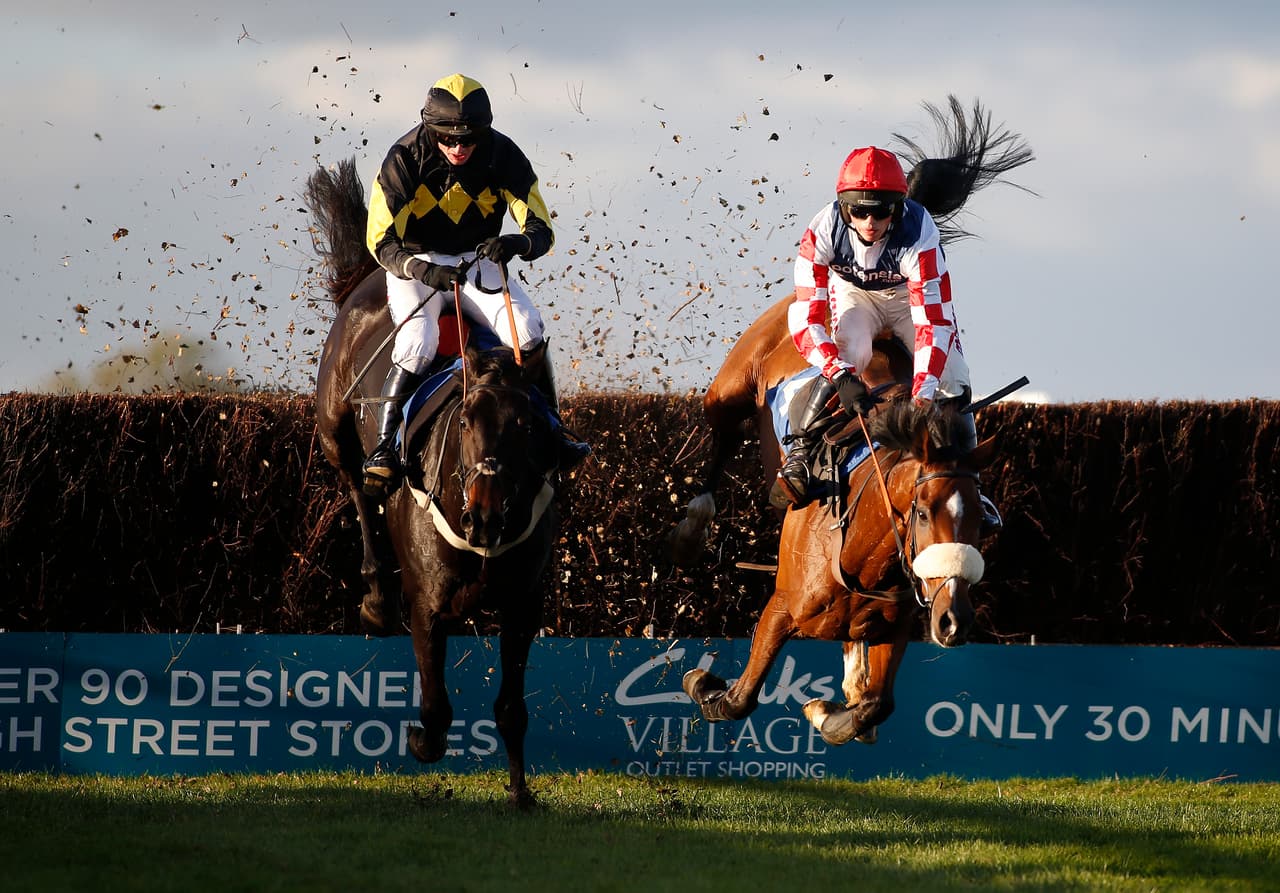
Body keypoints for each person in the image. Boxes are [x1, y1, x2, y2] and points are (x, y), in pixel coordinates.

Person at [361, 73, 589, 497]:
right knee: (418, 342)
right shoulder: (403, 160)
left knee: (529, 330)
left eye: (468, 139)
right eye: (448, 138)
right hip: (417, 264)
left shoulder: (504, 155)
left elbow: (541, 228)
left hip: (478, 260)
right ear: (431, 129)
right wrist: (421, 270)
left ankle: (555, 430)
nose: (458, 147)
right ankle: (384, 447)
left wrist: (516, 242)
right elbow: (379, 240)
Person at [772, 145, 1001, 532]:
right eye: (858, 211)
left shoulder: (921, 231)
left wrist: (922, 396)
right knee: (852, 354)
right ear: (842, 206)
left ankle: (971, 485)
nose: (869, 222)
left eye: (881, 211)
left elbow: (933, 324)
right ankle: (800, 452)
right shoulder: (822, 229)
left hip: (908, 301)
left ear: (899, 206)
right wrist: (840, 374)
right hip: (854, 297)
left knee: (955, 377)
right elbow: (805, 317)